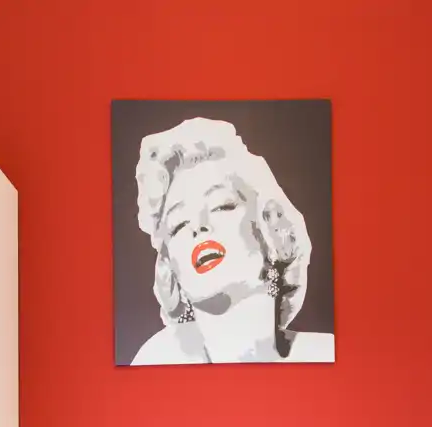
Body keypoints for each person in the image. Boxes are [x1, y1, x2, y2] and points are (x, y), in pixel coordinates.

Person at [130, 117, 335, 365]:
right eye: (179, 225)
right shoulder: (155, 359)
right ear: (169, 269)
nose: (198, 226)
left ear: (269, 227)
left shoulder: (324, 353)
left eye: (221, 206)